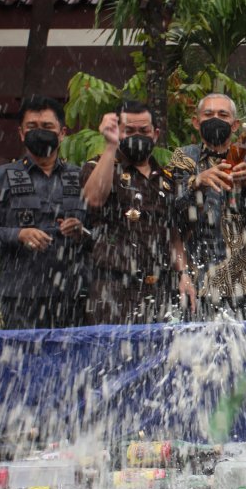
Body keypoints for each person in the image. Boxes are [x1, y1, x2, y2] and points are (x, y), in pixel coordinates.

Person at [0, 95, 91, 328]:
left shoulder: (83, 178)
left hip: (73, 294)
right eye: (32, 127)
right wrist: (18, 235)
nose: (40, 132)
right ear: (21, 133)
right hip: (20, 297)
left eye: (47, 127)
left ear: (62, 133)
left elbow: (105, 232)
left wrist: (82, 232)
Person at [81, 100, 189, 325]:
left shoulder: (167, 179)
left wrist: (184, 274)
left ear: (155, 133)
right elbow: (94, 199)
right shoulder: (100, 166)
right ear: (118, 131)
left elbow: (173, 234)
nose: (137, 136)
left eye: (144, 131)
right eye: (129, 130)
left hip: (158, 289)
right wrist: (110, 146)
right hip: (112, 287)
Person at [169, 93, 246, 319]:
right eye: (208, 114)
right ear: (196, 121)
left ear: (235, 124)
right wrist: (196, 183)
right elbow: (171, 211)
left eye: (223, 114)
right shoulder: (183, 157)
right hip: (195, 273)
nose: (215, 119)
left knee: (244, 345)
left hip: (240, 276)